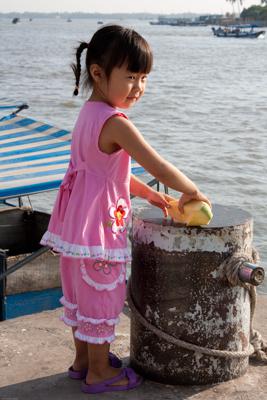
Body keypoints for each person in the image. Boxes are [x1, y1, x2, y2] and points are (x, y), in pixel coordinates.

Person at [40, 24, 211, 394]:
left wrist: (153, 197)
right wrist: (190, 189)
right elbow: (156, 164)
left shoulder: (89, 113)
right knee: (102, 296)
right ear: (98, 73)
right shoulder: (117, 123)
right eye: (130, 77)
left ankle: (85, 360)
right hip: (99, 230)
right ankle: (100, 373)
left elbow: (103, 173)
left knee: (81, 294)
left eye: (144, 78)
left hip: (75, 230)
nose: (139, 88)